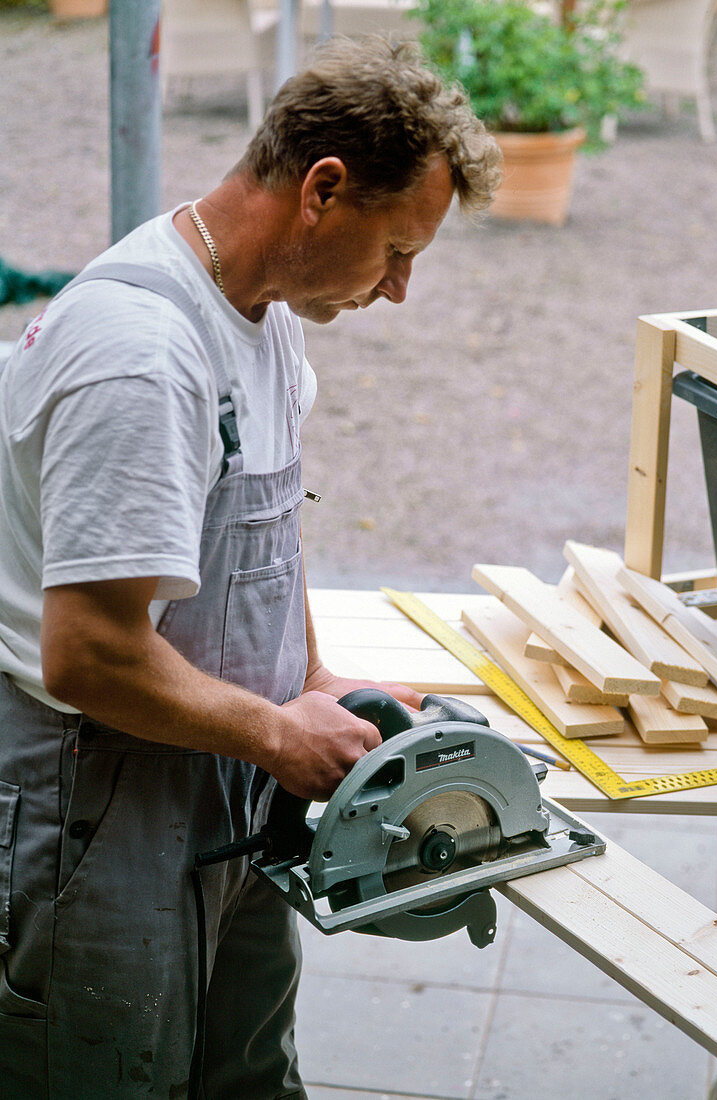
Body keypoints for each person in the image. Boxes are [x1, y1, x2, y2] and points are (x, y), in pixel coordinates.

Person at [0, 33, 501, 1100]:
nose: (400, 288)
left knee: (247, 1074)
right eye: (397, 249)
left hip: (226, 760)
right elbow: (87, 653)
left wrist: (312, 682)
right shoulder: (141, 351)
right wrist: (277, 728)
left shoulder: (264, 320)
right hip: (102, 788)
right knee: (106, 1074)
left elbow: (268, 525)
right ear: (323, 188)